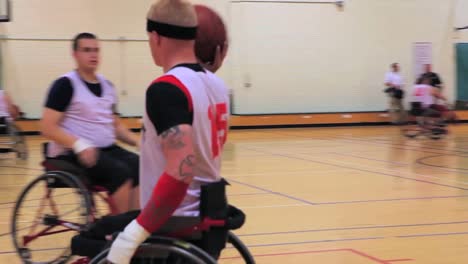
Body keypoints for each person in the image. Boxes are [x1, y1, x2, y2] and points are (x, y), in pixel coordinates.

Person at [106, 0, 231, 263]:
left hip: (173, 222)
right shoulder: (217, 85)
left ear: (155, 36)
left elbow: (181, 169)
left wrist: (135, 233)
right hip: (210, 215)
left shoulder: (165, 88)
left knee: (91, 237)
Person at [41, 32, 140, 214]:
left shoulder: (108, 86)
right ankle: (115, 230)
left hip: (105, 150)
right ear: (75, 55)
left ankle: (131, 225)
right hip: (72, 154)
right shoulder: (65, 85)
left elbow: (114, 124)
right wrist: (78, 144)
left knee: (140, 165)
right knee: (120, 173)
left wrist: (138, 141)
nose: (93, 55)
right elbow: (47, 127)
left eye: (96, 50)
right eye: (87, 50)